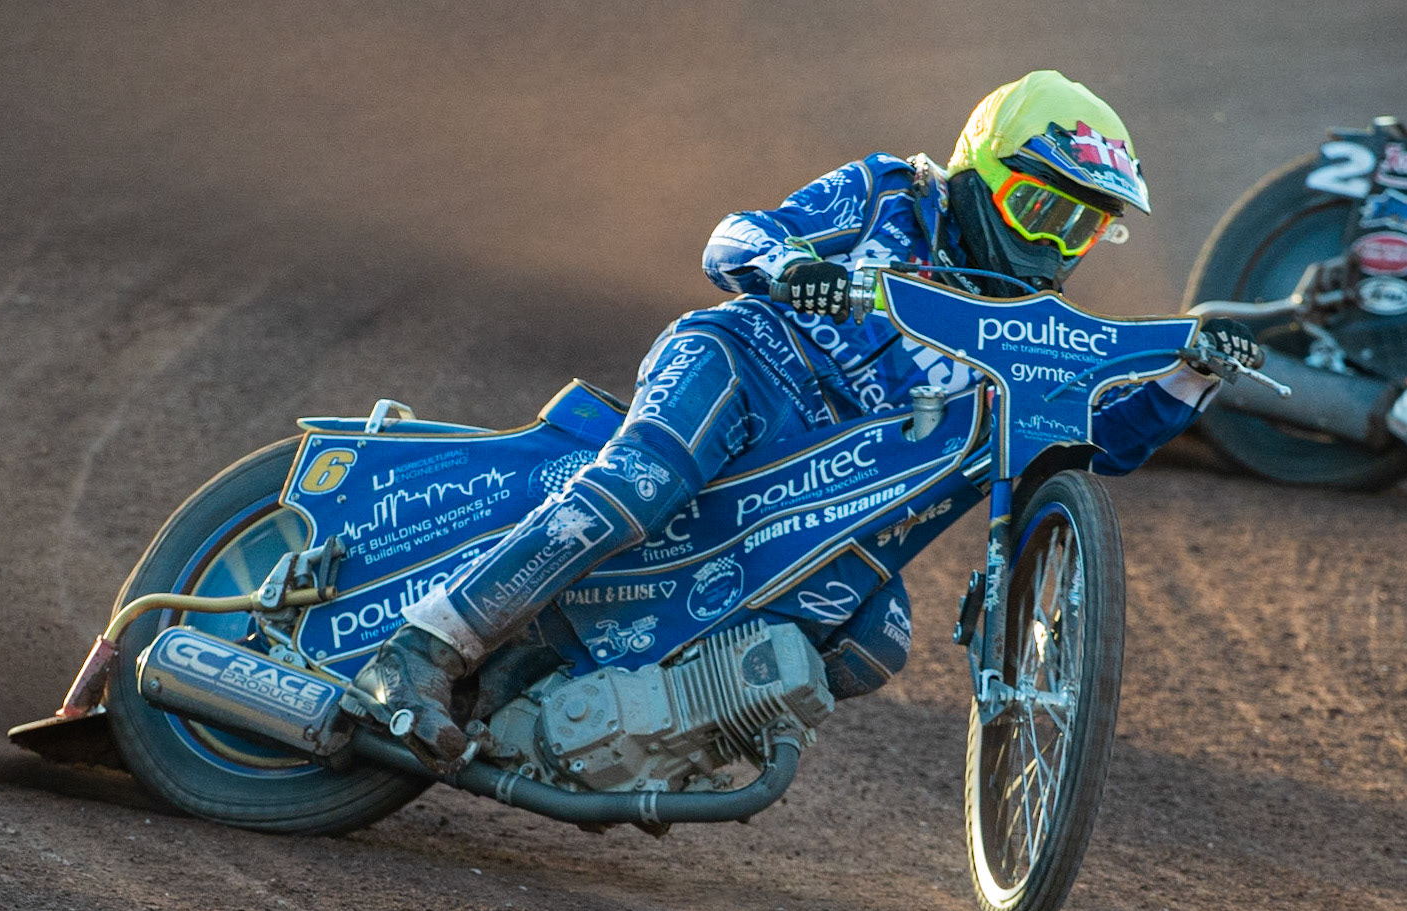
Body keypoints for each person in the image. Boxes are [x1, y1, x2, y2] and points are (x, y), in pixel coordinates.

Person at [340, 69, 1260, 771]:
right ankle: (419, 646)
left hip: (822, 492)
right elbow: (731, 236)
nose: (1054, 245)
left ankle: (593, 720)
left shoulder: (1027, 338)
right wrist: (787, 267)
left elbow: (1092, 448)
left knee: (870, 638)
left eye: (1082, 229)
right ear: (981, 171)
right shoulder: (889, 194)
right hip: (745, 368)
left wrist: (1189, 377)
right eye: (1040, 207)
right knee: (644, 480)